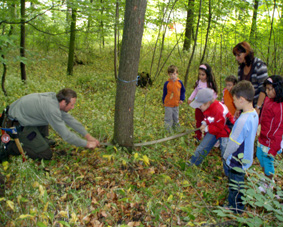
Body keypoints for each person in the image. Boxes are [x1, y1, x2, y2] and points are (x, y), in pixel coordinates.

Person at [0, 88, 100, 161]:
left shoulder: (54, 100)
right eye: (72, 104)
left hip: (24, 118)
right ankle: (8, 147)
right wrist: (86, 144)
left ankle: (41, 140)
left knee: (44, 121)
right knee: (46, 154)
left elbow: (70, 120)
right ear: (64, 102)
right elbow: (66, 136)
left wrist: (88, 136)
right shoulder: (52, 110)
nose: (73, 107)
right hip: (16, 125)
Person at [223, 80, 259, 214]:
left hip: (236, 158)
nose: (233, 102)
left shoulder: (242, 121)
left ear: (242, 99)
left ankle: (236, 208)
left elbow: (233, 143)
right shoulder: (254, 114)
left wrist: (225, 156)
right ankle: (235, 204)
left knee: (235, 185)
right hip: (246, 157)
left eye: (234, 100)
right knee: (238, 182)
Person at [187, 88, 234, 176]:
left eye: (200, 106)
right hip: (213, 128)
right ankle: (192, 164)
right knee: (203, 146)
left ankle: (230, 175)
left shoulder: (219, 110)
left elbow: (219, 127)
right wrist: (204, 123)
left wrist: (207, 129)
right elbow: (208, 117)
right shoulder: (206, 107)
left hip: (225, 132)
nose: (199, 108)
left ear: (207, 103)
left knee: (225, 152)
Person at [256, 75, 283, 193]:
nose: (267, 92)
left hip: (271, 141)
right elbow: (262, 115)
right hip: (262, 136)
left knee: (267, 162)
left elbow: (279, 129)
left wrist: (273, 148)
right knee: (259, 156)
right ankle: (265, 178)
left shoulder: (280, 107)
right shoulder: (267, 99)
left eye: (270, 89)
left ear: (278, 89)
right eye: (266, 89)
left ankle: (268, 184)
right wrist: (258, 126)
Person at [232, 41, 268, 115]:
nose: (237, 58)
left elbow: (263, 88)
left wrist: (258, 107)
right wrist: (238, 108)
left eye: (239, 55)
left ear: (246, 53)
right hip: (246, 107)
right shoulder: (240, 68)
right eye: (236, 55)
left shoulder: (259, 65)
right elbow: (240, 89)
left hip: (259, 106)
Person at [187, 63, 218, 141]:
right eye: (200, 74)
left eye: (203, 74)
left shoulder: (209, 84)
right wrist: (190, 98)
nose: (201, 76)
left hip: (207, 107)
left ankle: (207, 137)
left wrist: (212, 103)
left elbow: (214, 94)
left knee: (207, 121)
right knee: (198, 120)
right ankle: (198, 135)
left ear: (207, 75)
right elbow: (195, 91)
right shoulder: (198, 82)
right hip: (198, 105)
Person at [162, 65, 186, 132]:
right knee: (168, 118)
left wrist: (182, 99)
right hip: (168, 104)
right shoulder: (167, 83)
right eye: (171, 74)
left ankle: (177, 130)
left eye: (174, 74)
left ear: (177, 73)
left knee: (176, 118)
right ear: (168, 74)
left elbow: (183, 91)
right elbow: (164, 93)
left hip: (176, 104)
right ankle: (168, 131)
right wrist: (164, 102)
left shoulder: (179, 82)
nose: (172, 76)